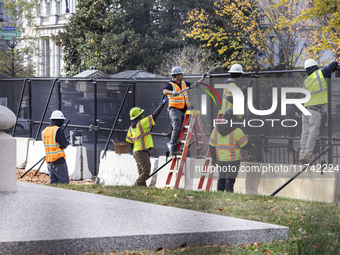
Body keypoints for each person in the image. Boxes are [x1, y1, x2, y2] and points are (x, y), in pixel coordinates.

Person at [299, 59, 338, 164]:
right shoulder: (320, 73)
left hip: (306, 109)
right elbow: (334, 64)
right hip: (315, 111)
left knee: (305, 133)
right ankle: (307, 154)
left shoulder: (306, 81)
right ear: (315, 67)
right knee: (313, 133)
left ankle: (301, 153)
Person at [126, 98, 168, 186]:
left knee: (141, 172)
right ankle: (135, 186)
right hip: (141, 152)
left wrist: (134, 151)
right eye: (141, 114)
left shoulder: (131, 128)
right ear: (139, 116)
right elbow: (154, 115)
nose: (143, 115)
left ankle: (142, 188)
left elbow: (130, 142)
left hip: (136, 152)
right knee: (146, 171)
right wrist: (162, 105)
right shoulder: (142, 123)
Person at [209, 109, 252, 192]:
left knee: (221, 179)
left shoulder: (216, 130)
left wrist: (214, 159)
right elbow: (245, 146)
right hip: (233, 161)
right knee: (230, 180)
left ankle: (219, 195)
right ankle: (229, 196)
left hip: (220, 160)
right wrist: (252, 144)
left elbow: (211, 146)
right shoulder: (237, 131)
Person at [162, 66, 191, 156]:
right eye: (180, 74)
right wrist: (171, 92)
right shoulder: (170, 84)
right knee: (177, 125)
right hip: (174, 109)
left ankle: (176, 147)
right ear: (176, 75)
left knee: (180, 128)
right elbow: (164, 91)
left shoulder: (184, 83)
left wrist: (202, 79)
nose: (182, 75)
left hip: (183, 109)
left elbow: (194, 84)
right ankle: (173, 148)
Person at [42, 110, 69, 184]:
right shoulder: (58, 130)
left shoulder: (44, 131)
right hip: (58, 160)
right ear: (59, 120)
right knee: (64, 182)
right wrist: (67, 143)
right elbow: (63, 144)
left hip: (49, 161)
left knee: (53, 183)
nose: (63, 123)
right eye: (62, 121)